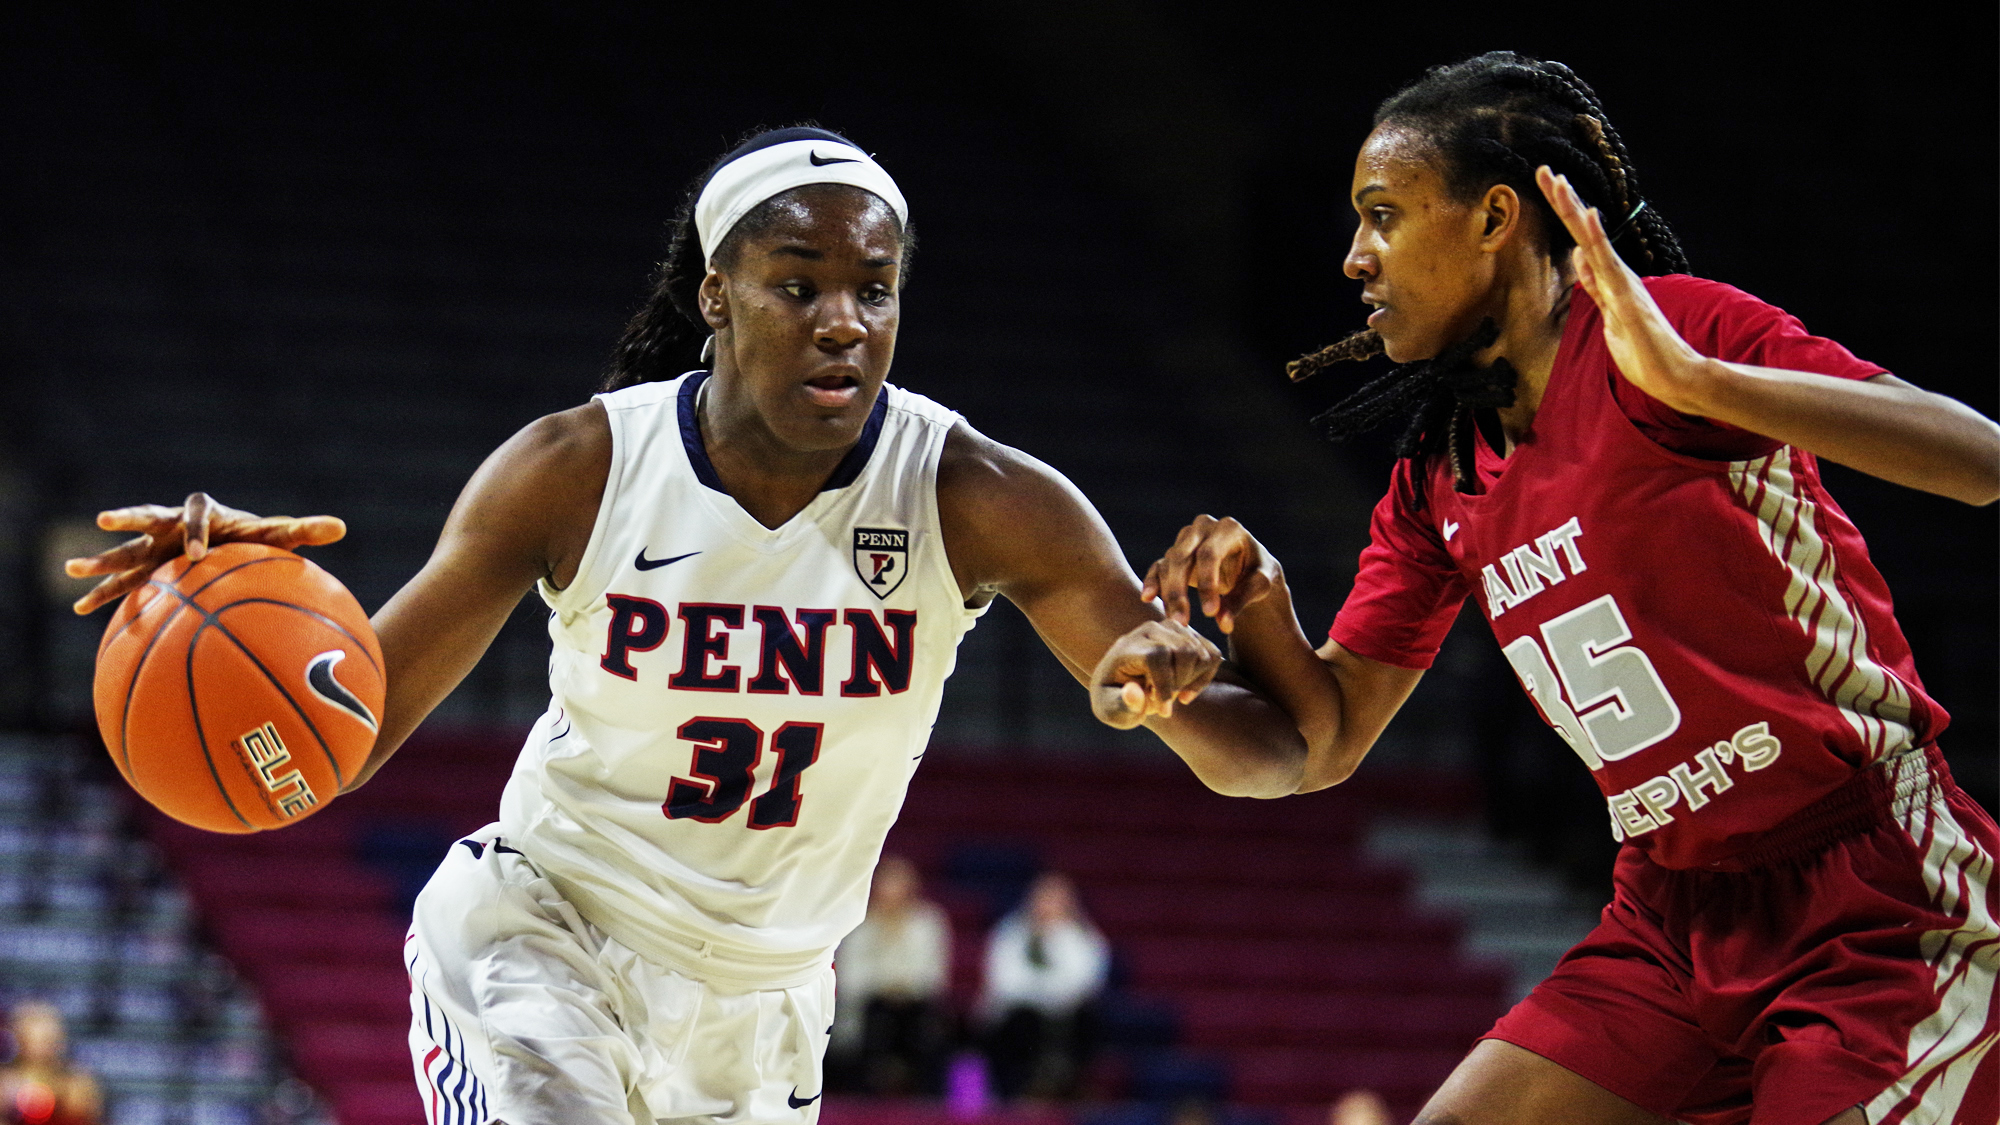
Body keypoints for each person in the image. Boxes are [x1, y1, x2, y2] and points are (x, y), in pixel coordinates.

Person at [64, 125, 1308, 1124]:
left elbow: (1264, 759)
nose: (843, 321)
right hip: (549, 939)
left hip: (767, 1006)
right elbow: (349, 734)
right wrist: (240, 620)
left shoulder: (978, 497)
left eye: (874, 290)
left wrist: (1207, 651)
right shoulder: (576, 468)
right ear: (717, 294)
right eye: (799, 285)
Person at [1119, 54, 1999, 1125]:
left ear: (1495, 217)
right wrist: (1242, 624)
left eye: (1383, 215)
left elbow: (1979, 458)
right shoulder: (1437, 472)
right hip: (1667, 915)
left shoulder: (1681, 335)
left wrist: (1700, 386)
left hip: (1870, 894)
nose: (1353, 257)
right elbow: (1316, 745)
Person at [976, 872, 1108, 1100]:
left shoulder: (1083, 937)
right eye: (1043, 898)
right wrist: (1045, 992)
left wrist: (1053, 943)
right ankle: (1020, 1090)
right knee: (1022, 1022)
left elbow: (1082, 984)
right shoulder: (1010, 932)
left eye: (1055, 900)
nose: (1047, 907)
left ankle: (1067, 1088)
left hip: (1066, 1013)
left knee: (1088, 1020)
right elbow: (1004, 983)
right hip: (1018, 1012)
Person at [827, 854, 952, 1095]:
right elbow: (849, 977)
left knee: (920, 1020)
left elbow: (932, 975)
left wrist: (901, 987)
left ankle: (923, 1096)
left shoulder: (929, 922)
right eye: (887, 882)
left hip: (914, 1006)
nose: (892, 891)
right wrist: (885, 986)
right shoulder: (857, 922)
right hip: (867, 1007)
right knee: (879, 1012)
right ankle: (866, 1093)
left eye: (899, 883)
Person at [0, 1001, 101, 1125]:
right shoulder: (4, 1082)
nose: (41, 1046)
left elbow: (89, 1117)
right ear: (20, 1038)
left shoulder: (76, 1083)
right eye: (34, 1037)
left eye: (46, 1038)